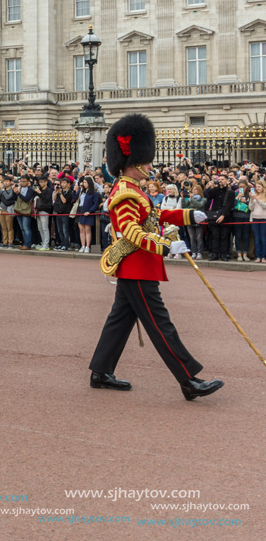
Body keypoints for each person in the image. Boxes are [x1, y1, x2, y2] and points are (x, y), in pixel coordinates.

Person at [91, 114, 223, 401]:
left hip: (137, 267)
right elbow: (131, 232)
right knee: (160, 324)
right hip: (138, 267)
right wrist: (166, 246)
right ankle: (189, 380)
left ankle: (100, 371)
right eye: (147, 161)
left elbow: (155, 215)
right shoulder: (124, 193)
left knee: (120, 320)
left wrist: (189, 214)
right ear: (133, 163)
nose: (150, 166)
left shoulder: (135, 190)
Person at [205, 173, 235, 261]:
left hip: (226, 217)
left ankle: (224, 254)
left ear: (227, 181)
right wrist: (210, 187)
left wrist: (223, 215)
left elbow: (229, 205)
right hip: (215, 216)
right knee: (215, 236)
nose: (220, 180)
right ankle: (214, 253)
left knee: (224, 236)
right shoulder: (215, 190)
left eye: (222, 179)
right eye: (219, 179)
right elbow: (208, 197)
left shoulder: (230, 192)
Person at [76, 176, 99, 253]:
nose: (84, 184)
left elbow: (95, 204)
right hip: (80, 210)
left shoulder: (94, 193)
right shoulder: (82, 191)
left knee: (87, 230)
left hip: (88, 211)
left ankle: (87, 246)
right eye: (84, 182)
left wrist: (90, 211)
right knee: (81, 230)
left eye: (85, 182)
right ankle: (82, 245)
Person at [183, 184, 206, 260]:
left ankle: (199, 252)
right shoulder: (190, 199)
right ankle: (193, 252)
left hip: (199, 219)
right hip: (190, 218)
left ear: (199, 190)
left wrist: (192, 199)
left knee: (199, 237)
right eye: (193, 189)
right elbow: (184, 205)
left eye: (195, 189)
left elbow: (199, 205)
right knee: (192, 237)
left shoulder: (203, 199)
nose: (194, 191)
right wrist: (183, 198)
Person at [52, 176, 75, 251]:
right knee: (59, 230)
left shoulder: (70, 193)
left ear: (68, 184)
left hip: (65, 213)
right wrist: (56, 192)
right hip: (58, 212)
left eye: (64, 183)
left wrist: (61, 193)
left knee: (65, 230)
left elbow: (64, 201)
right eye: (62, 183)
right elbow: (54, 199)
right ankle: (62, 243)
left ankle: (66, 244)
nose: (63, 184)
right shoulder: (59, 192)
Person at [13, 175, 35, 250]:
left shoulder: (30, 189)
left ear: (28, 182)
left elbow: (26, 199)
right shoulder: (19, 188)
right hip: (18, 210)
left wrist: (18, 193)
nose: (22, 182)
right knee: (22, 228)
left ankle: (28, 244)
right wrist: (15, 192)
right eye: (21, 181)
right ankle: (24, 243)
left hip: (26, 210)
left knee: (26, 227)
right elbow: (14, 198)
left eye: (24, 181)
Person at [232, 182, 252, 262]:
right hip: (237, 217)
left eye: (244, 186)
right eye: (240, 186)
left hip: (247, 217)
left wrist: (246, 202)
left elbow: (253, 205)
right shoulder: (235, 193)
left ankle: (245, 254)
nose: (242, 188)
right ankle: (239, 254)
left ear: (247, 187)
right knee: (238, 236)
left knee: (246, 236)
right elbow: (231, 205)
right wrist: (237, 197)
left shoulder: (250, 194)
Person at [33, 174, 53, 250]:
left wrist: (40, 193)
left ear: (46, 182)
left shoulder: (49, 190)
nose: (40, 183)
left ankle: (46, 244)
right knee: (40, 228)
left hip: (45, 210)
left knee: (45, 227)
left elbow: (46, 199)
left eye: (42, 182)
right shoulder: (39, 189)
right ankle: (43, 242)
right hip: (38, 210)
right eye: (39, 182)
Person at [0, 175, 16, 248]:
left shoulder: (12, 190)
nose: (5, 183)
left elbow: (8, 197)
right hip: (1, 210)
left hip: (9, 210)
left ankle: (10, 242)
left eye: (7, 181)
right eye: (4, 181)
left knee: (10, 227)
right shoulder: (2, 190)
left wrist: (2, 190)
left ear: (10, 182)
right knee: (3, 227)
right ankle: (4, 242)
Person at [251, 180, 266, 263]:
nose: (257, 188)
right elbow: (251, 208)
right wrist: (251, 200)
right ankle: (258, 256)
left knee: (263, 238)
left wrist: (257, 200)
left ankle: (264, 256)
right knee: (257, 238)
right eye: (256, 187)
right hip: (255, 218)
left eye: (259, 187)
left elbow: (264, 206)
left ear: (263, 187)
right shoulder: (254, 195)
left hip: (264, 218)